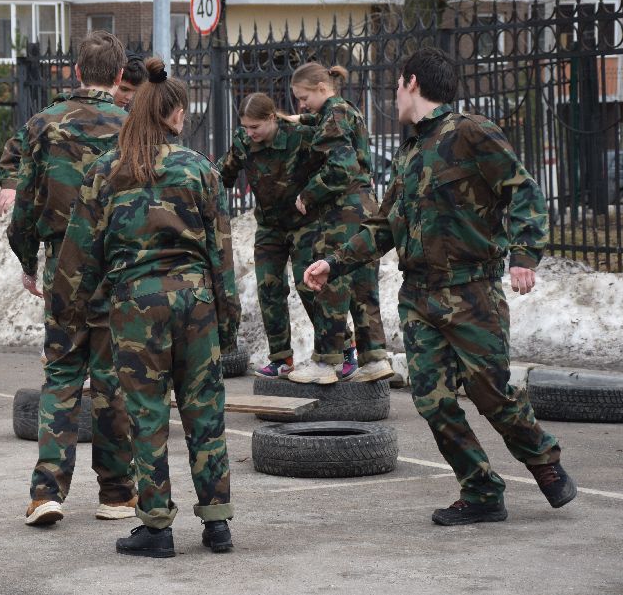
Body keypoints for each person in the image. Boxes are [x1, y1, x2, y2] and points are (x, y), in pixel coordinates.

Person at [304, 47, 577, 525]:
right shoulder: (409, 153)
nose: (392, 95)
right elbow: (384, 225)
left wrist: (524, 255)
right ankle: (481, 491)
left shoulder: (471, 132)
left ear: (411, 82)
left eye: (395, 86)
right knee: (432, 401)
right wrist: (334, 261)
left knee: (491, 393)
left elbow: (523, 189)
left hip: (471, 293)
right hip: (419, 295)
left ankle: (544, 462)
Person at [48, 56, 240, 558]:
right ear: (174, 115)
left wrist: (66, 312)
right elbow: (223, 252)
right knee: (205, 412)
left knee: (147, 417)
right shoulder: (200, 169)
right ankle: (217, 523)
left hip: (135, 307)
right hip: (195, 302)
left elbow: (79, 253)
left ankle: (156, 527)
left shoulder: (107, 171)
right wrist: (229, 318)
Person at [8, 31, 137, 526]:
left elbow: (25, 204)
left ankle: (46, 492)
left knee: (61, 375)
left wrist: (26, 260)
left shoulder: (42, 124)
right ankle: (117, 493)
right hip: (117, 264)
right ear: (120, 76)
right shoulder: (132, 127)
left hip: (63, 262)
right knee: (110, 380)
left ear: (77, 71)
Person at [285, 63, 392, 384]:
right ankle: (374, 357)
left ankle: (327, 361)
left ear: (321, 87)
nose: (301, 104)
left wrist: (308, 194)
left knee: (331, 282)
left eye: (304, 97)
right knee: (363, 287)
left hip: (342, 213)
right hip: (364, 208)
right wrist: (301, 119)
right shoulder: (345, 110)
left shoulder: (333, 115)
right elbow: (327, 125)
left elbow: (341, 166)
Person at [220, 93, 318, 377]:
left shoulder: (300, 136)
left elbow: (331, 164)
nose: (250, 133)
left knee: (308, 284)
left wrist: (314, 194)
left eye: (255, 127)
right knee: (268, 287)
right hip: (270, 227)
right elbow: (221, 176)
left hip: (305, 224)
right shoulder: (243, 142)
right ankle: (281, 358)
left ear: (272, 118)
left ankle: (337, 348)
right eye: (246, 127)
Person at [0, 55, 147, 216]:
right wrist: (10, 185)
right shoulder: (61, 114)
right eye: (124, 89)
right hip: (63, 217)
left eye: (136, 92)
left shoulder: (132, 122)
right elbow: (17, 147)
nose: (129, 98)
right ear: (115, 79)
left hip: (110, 219)